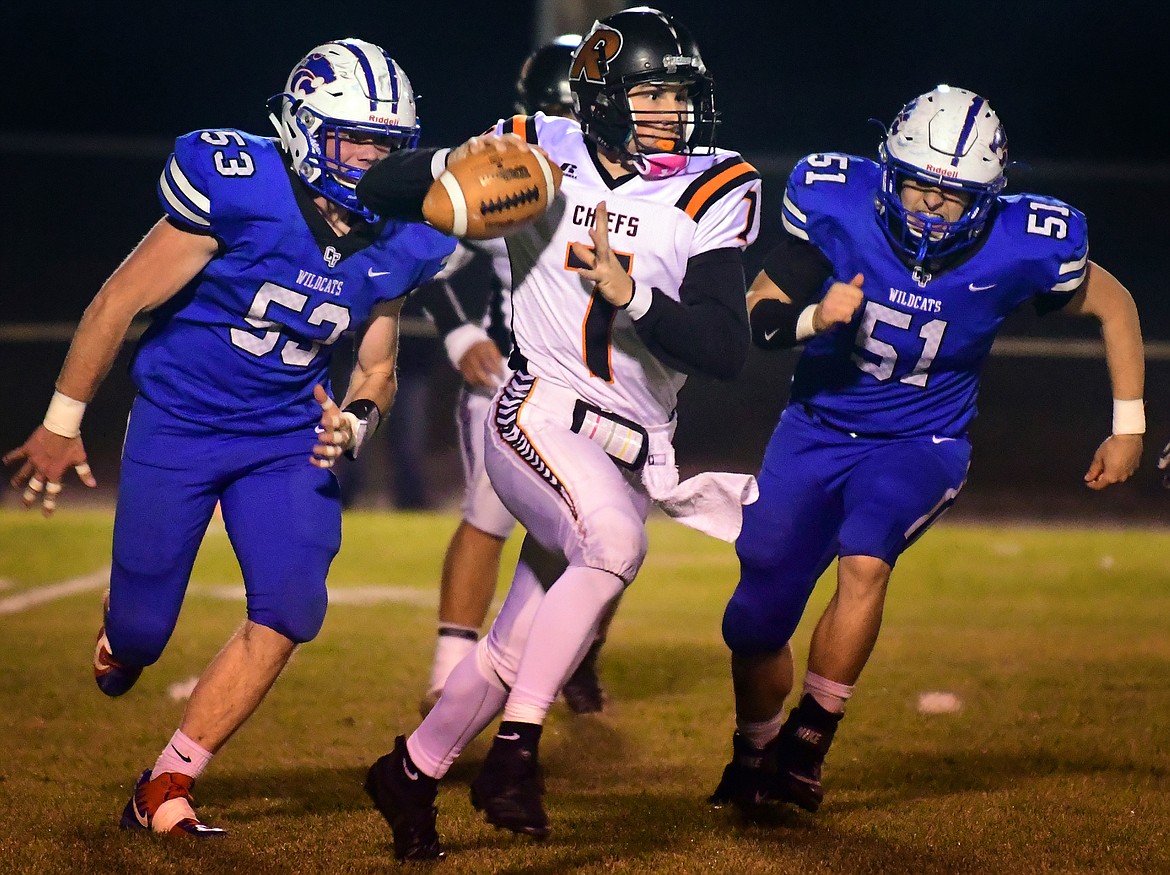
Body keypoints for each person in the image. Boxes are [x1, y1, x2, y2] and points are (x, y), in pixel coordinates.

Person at [2, 39, 459, 836]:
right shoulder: (241, 186)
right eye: (355, 139)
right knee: (139, 639)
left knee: (291, 604)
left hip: (284, 434)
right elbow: (117, 302)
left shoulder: (400, 237)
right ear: (304, 130)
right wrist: (60, 424)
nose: (371, 160)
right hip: (179, 424)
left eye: (387, 145)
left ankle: (166, 782)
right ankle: (127, 620)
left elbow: (377, 366)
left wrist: (353, 425)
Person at [356, 8, 762, 860]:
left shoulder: (713, 184)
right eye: (651, 93)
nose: (671, 111)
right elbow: (390, 185)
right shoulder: (537, 147)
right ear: (603, 99)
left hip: (630, 448)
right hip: (534, 411)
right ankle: (514, 752)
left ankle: (411, 770)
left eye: (678, 93)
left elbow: (728, 347)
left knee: (514, 648)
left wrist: (634, 295)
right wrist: (446, 181)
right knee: (613, 545)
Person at [709, 84, 1145, 815]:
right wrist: (817, 316)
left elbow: (1114, 303)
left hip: (921, 439)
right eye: (916, 186)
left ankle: (808, 744)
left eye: (953, 197)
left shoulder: (1025, 241)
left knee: (866, 557)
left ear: (990, 196)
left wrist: (1127, 424)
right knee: (755, 618)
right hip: (815, 428)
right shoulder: (836, 202)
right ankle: (755, 750)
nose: (929, 210)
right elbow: (760, 315)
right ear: (887, 172)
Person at [413, 33, 616, 718]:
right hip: (513, 378)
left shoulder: (641, 184)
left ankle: (577, 653)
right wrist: (460, 331)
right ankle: (449, 667)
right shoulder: (513, 180)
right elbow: (421, 261)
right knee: (489, 514)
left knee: (601, 534)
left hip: (600, 391)